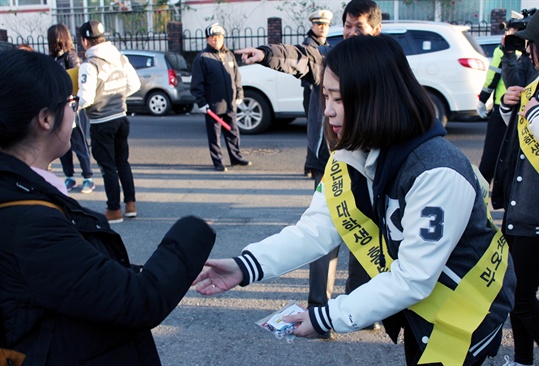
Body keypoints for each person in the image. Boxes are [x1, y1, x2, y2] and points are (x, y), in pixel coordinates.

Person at [194, 35, 515, 365]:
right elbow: (315, 230)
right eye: (325, 95)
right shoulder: (353, 153)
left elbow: (413, 278)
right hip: (421, 312)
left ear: (378, 98)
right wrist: (244, 266)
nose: (328, 110)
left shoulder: (437, 171)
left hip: (467, 315)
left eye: (339, 98)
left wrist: (326, 317)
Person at [0, 49, 216, 365]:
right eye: (70, 104)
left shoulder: (20, 192)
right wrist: (193, 230)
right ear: (46, 119)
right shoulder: (28, 221)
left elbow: (82, 279)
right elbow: (140, 300)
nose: (74, 113)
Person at [236, 0, 383, 326]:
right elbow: (305, 58)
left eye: (359, 27)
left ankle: (365, 306)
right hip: (331, 163)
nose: (351, 32)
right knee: (321, 233)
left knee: (368, 237)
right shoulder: (332, 58)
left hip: (374, 168)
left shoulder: (385, 67)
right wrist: (267, 54)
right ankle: (319, 308)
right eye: (347, 25)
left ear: (376, 29)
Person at [493, 6, 539, 365]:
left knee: (521, 297)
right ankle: (522, 359)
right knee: (513, 290)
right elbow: (516, 140)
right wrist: (505, 106)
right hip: (520, 203)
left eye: (532, 44)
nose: (527, 51)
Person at [78, 20, 140, 223]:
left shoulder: (90, 64)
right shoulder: (119, 58)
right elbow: (134, 84)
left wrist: (74, 105)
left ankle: (114, 209)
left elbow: (85, 97)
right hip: (121, 117)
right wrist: (117, 97)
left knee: (107, 167)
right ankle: (130, 205)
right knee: (122, 162)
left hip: (101, 120)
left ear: (85, 41)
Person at [190, 22, 251, 172]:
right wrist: (201, 102)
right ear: (207, 39)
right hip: (213, 106)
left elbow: (237, 77)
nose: (215, 40)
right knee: (215, 135)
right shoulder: (202, 58)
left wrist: (239, 94)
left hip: (230, 103)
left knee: (233, 132)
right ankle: (218, 162)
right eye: (212, 37)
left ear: (223, 38)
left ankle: (236, 158)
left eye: (218, 37)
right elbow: (197, 83)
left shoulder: (228, 55)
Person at [48, 23, 95, 194]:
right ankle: (69, 177)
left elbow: (75, 83)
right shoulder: (53, 59)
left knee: (79, 142)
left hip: (73, 107)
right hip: (58, 107)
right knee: (62, 144)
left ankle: (88, 178)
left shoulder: (71, 57)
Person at [302, 9, 332, 179]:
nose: (322, 28)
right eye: (319, 24)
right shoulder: (309, 45)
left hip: (324, 91)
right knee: (314, 127)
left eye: (325, 25)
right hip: (312, 92)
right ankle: (312, 164)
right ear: (312, 25)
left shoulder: (326, 45)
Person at [476, 38, 509, 183]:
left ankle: (481, 192)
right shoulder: (533, 48)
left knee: (491, 153)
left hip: (502, 107)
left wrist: (483, 99)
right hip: (524, 108)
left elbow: (492, 77)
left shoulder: (504, 49)